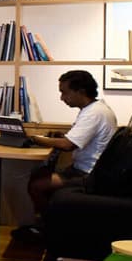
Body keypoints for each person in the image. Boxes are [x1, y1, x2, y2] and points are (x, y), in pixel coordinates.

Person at [23, 69, 119, 229]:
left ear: (80, 91)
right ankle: (50, 223)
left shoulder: (93, 113)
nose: (62, 98)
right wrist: (61, 136)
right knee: (38, 174)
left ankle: (47, 227)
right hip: (88, 169)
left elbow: (68, 145)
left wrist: (36, 138)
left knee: (37, 185)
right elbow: (77, 138)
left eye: (64, 93)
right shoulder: (96, 108)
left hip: (88, 174)